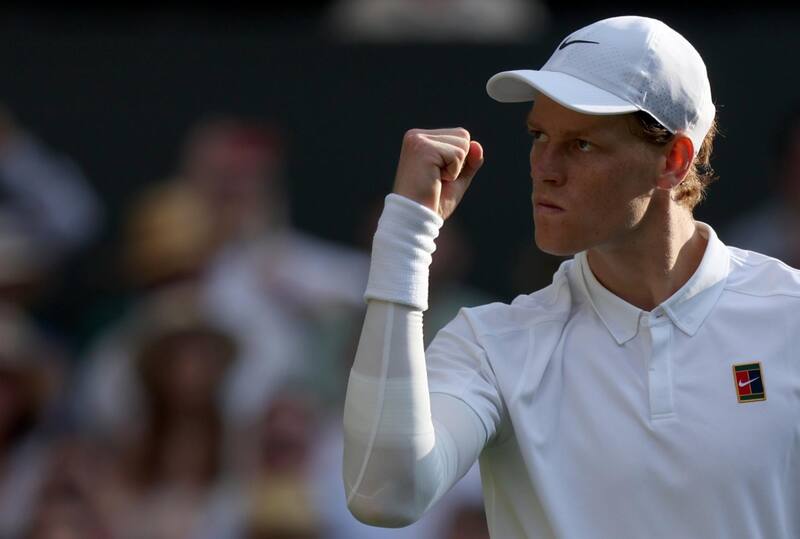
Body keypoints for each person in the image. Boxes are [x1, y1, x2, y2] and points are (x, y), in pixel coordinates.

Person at [342, 15, 800, 538]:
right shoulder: (492, 347)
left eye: (582, 143)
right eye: (539, 135)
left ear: (673, 160)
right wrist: (406, 237)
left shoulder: (790, 313)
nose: (545, 168)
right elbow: (385, 495)